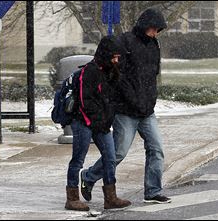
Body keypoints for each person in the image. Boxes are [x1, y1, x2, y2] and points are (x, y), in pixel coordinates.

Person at [80, 8, 171, 204]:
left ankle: (153, 191)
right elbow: (117, 76)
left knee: (156, 149)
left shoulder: (154, 45)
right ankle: (88, 177)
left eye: (158, 30)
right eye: (154, 29)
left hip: (147, 111)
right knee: (118, 153)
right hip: (126, 110)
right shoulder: (125, 42)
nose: (156, 33)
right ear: (145, 25)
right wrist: (131, 99)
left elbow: (152, 76)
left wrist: (150, 99)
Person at [65, 36, 131, 211]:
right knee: (78, 159)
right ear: (106, 54)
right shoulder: (89, 72)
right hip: (84, 123)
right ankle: (72, 198)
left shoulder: (111, 72)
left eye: (118, 57)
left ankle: (110, 197)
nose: (117, 60)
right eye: (114, 57)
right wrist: (95, 121)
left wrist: (105, 121)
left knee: (110, 158)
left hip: (101, 124)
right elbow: (85, 101)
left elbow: (111, 99)